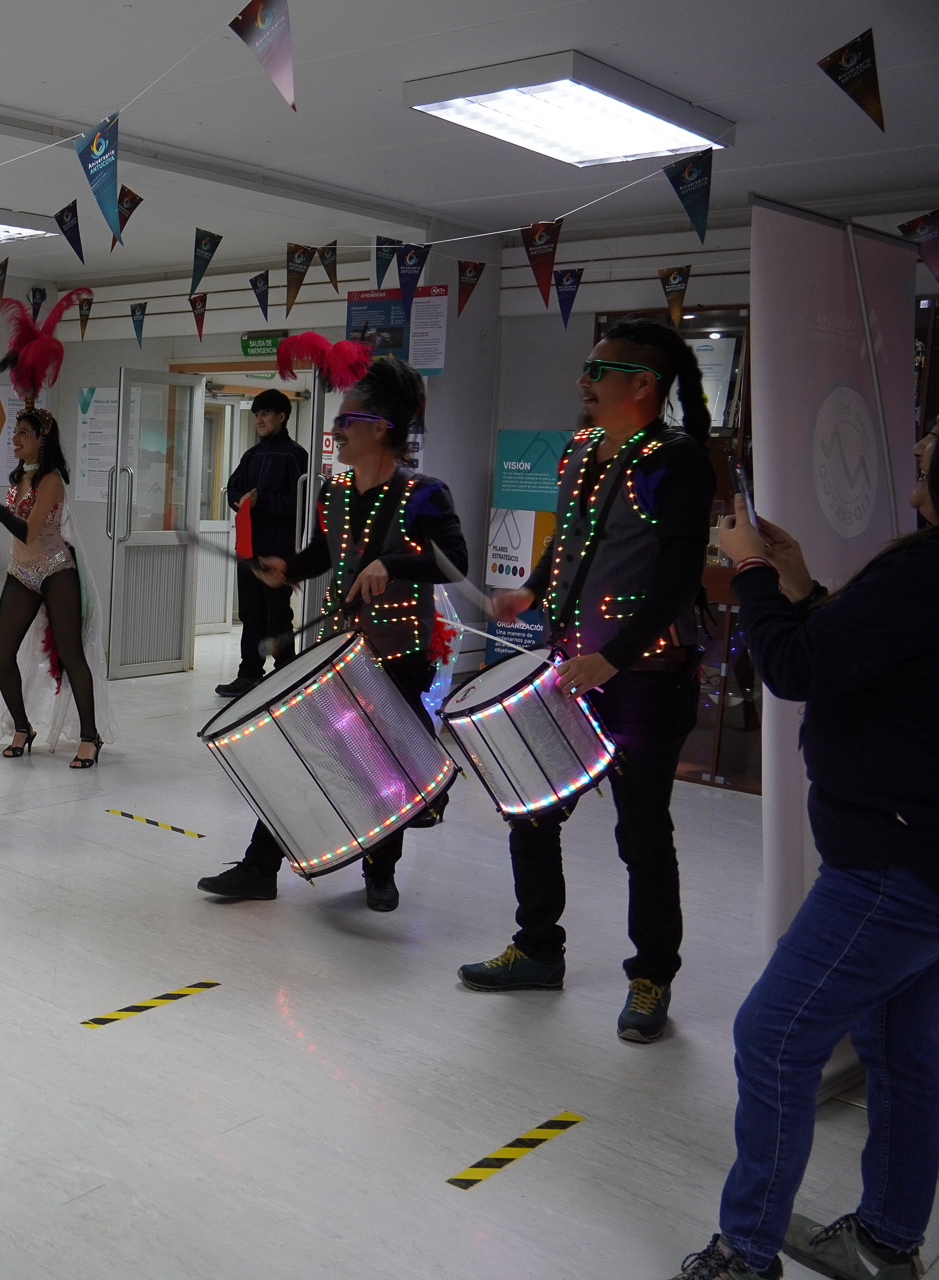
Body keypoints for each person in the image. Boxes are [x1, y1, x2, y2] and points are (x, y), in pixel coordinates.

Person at [664, 437, 939, 1280]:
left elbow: (795, 668)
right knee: (903, 1055)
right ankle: (886, 1242)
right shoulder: (920, 574)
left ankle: (746, 1253)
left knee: (774, 1036)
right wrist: (801, 587)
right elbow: (874, 658)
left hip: (891, 865)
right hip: (916, 857)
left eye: (934, 438)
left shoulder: (923, 568)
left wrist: (748, 571)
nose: (920, 441)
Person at [460, 318, 716, 1045]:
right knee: (532, 810)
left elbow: (678, 576)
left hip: (645, 679)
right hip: (570, 669)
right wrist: (533, 589)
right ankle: (539, 949)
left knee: (642, 831)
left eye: (598, 371)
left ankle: (652, 975)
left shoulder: (676, 459)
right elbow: (571, 539)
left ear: (643, 385)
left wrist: (616, 656)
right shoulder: (580, 450)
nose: (583, 382)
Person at [196, 353, 466, 912]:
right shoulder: (334, 491)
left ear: (379, 428)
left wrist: (393, 564)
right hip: (338, 649)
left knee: (386, 765)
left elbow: (455, 562)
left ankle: (381, 869)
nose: (337, 430)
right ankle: (260, 868)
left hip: (398, 650)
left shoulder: (425, 494)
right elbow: (326, 550)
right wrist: (290, 568)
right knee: (301, 752)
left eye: (346, 420)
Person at [0, 406, 116, 766]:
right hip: (21, 571)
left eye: (23, 433)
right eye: (15, 432)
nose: (15, 439)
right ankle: (22, 727)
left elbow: (29, 531)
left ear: (41, 440)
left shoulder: (51, 480)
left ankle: (89, 736)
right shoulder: (20, 476)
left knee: (70, 653)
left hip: (55, 569)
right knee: (2, 652)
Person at [216, 388, 309, 698]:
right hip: (249, 549)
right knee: (251, 614)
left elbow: (298, 502)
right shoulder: (251, 455)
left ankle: (286, 675)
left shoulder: (296, 456)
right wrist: (240, 500)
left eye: (265, 414)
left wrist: (262, 502)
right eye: (257, 414)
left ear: (282, 416)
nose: (259, 420)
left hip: (278, 550)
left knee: (278, 615)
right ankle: (249, 675)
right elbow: (232, 490)